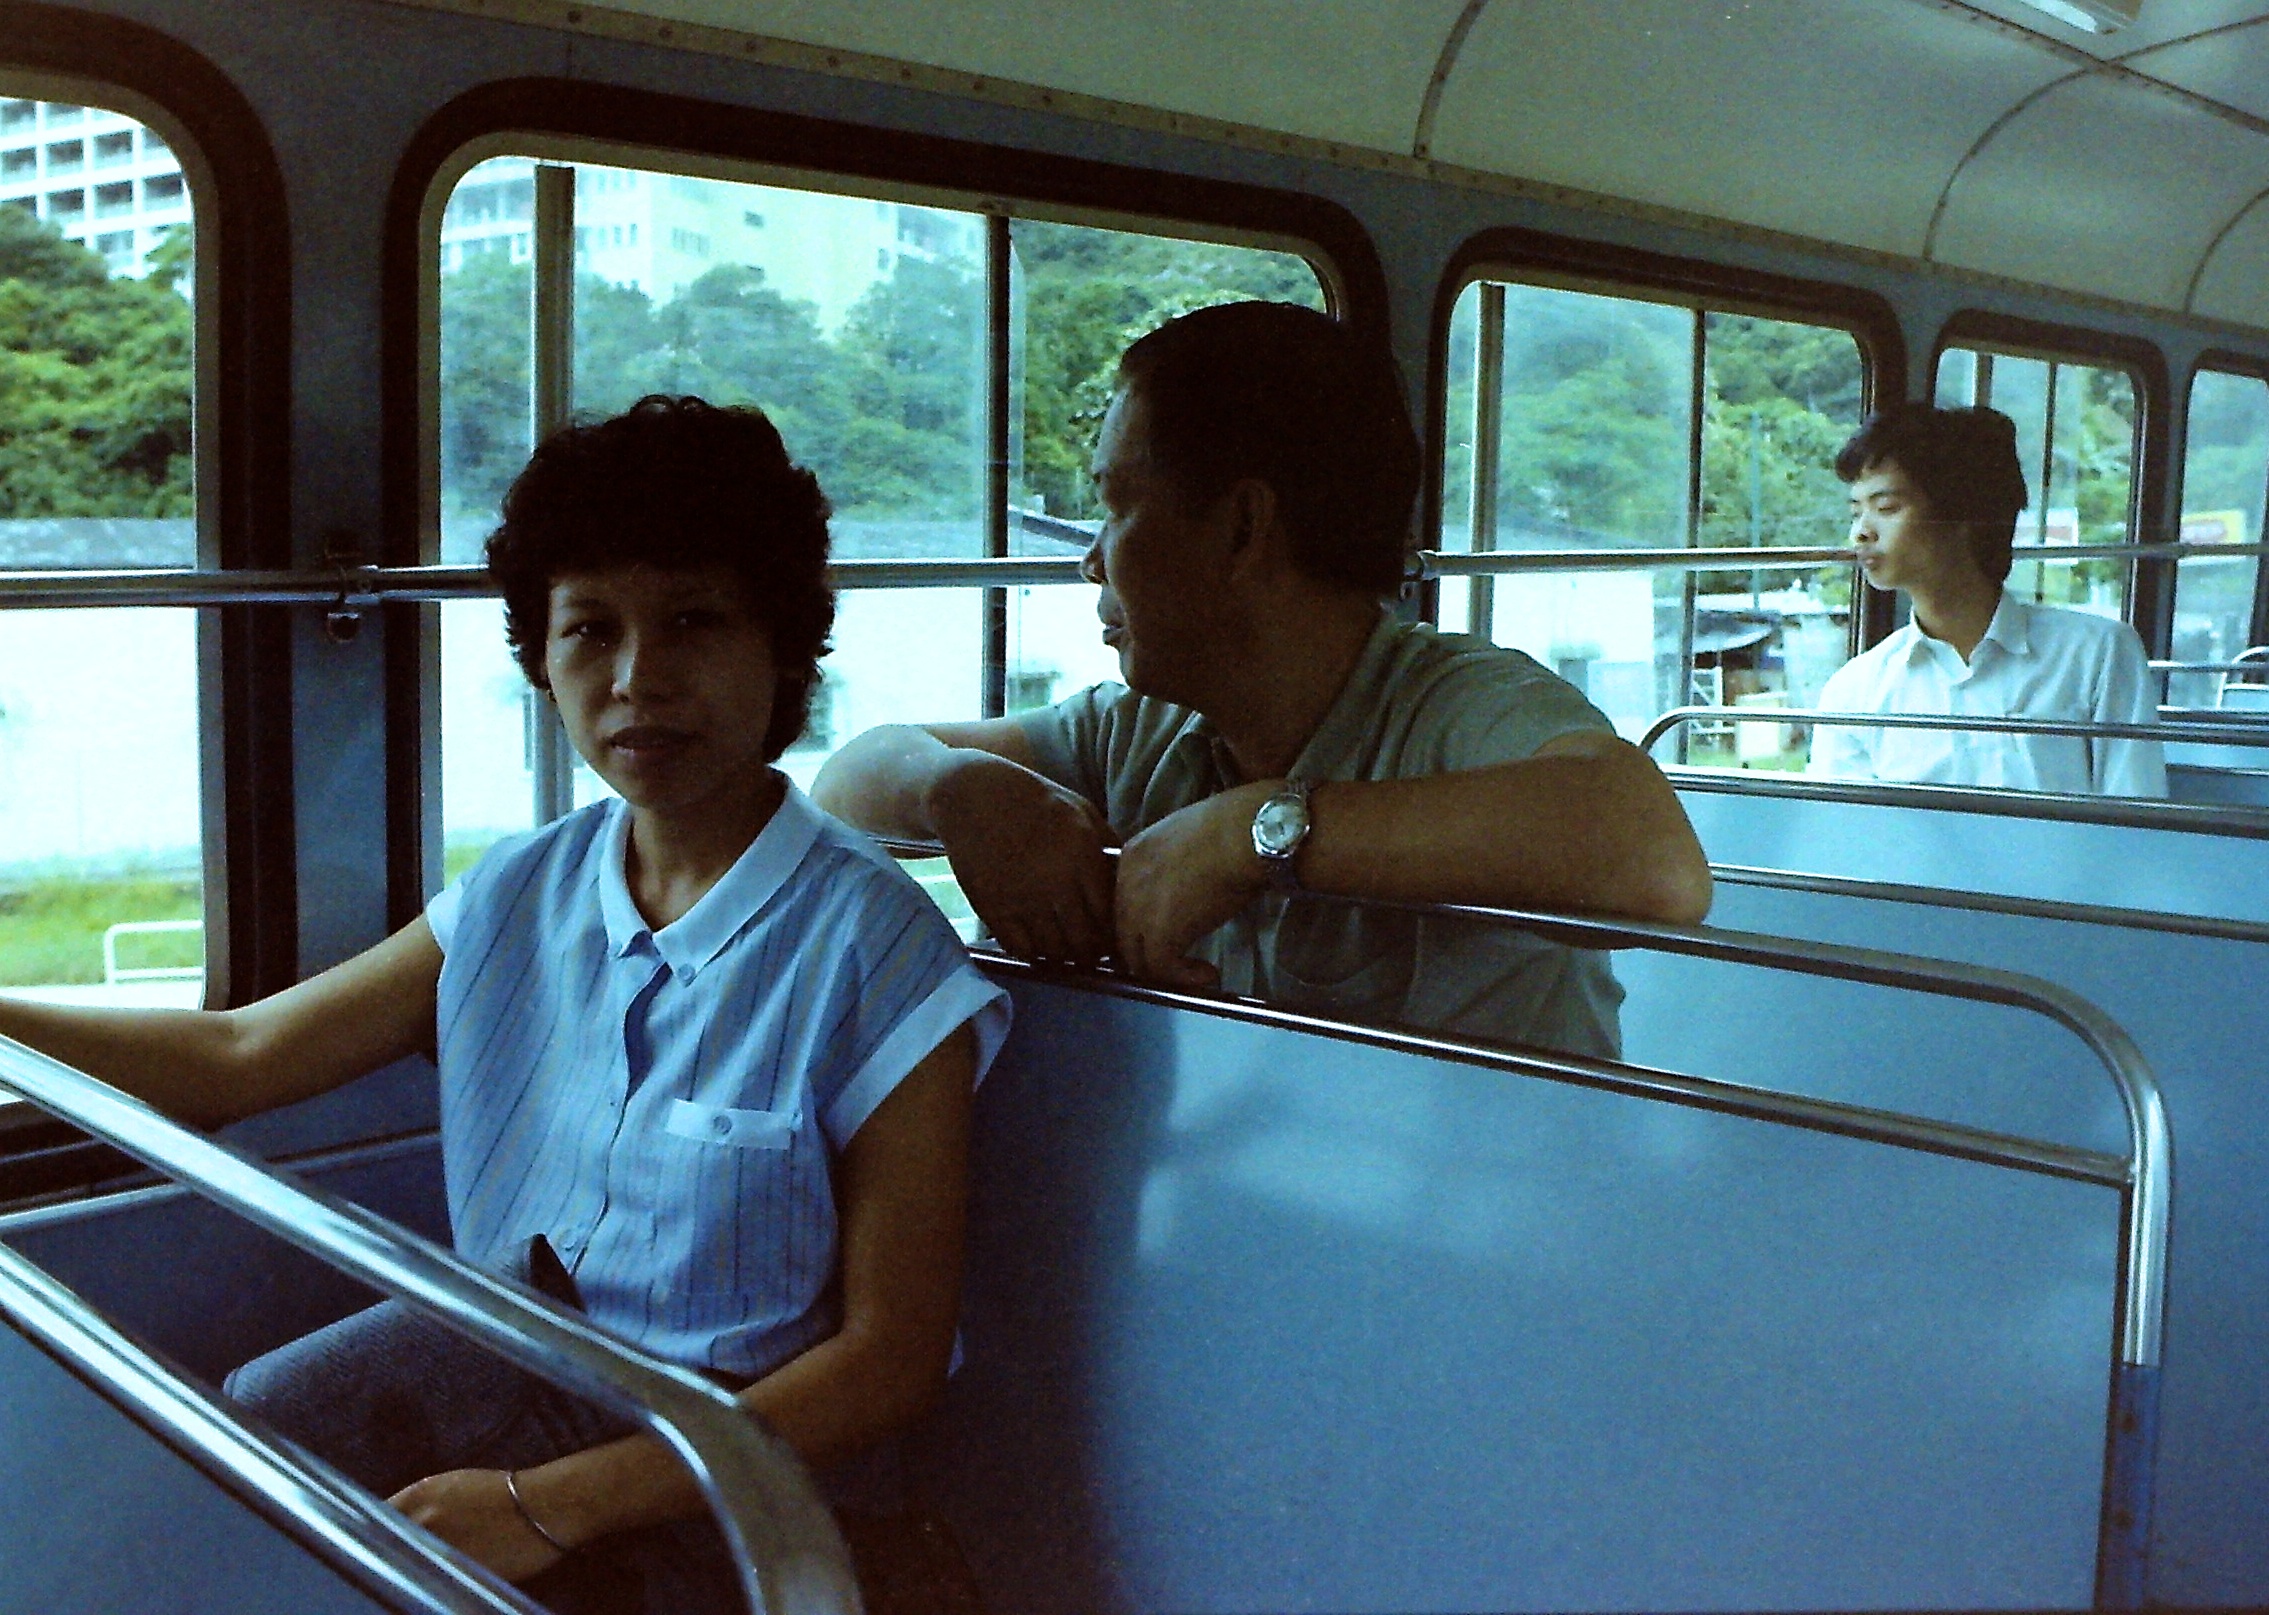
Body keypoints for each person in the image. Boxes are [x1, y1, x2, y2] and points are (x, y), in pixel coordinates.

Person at [0, 397, 1009, 1612]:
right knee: (250, 1455)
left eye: (694, 620)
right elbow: (239, 1054)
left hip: (745, 1467)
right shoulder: (520, 891)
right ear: (542, 659)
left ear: (784, 647)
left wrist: (548, 1504)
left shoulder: (872, 945)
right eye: (590, 630)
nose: (638, 679)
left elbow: (889, 1362)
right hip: (529, 1360)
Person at [814, 301, 1710, 1061]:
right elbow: (847, 781)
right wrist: (957, 789)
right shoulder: (1138, 727)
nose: (1092, 560)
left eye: (1117, 507)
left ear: (1241, 528)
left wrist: (1259, 830)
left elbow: (1655, 861)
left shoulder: (1457, 703)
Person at [1810, 402, 2167, 797]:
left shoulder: (2094, 655)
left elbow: (2135, 811)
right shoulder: (1855, 691)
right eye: (1856, 513)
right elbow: (1845, 828)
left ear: (1962, 513)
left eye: (1886, 508)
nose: (1861, 533)